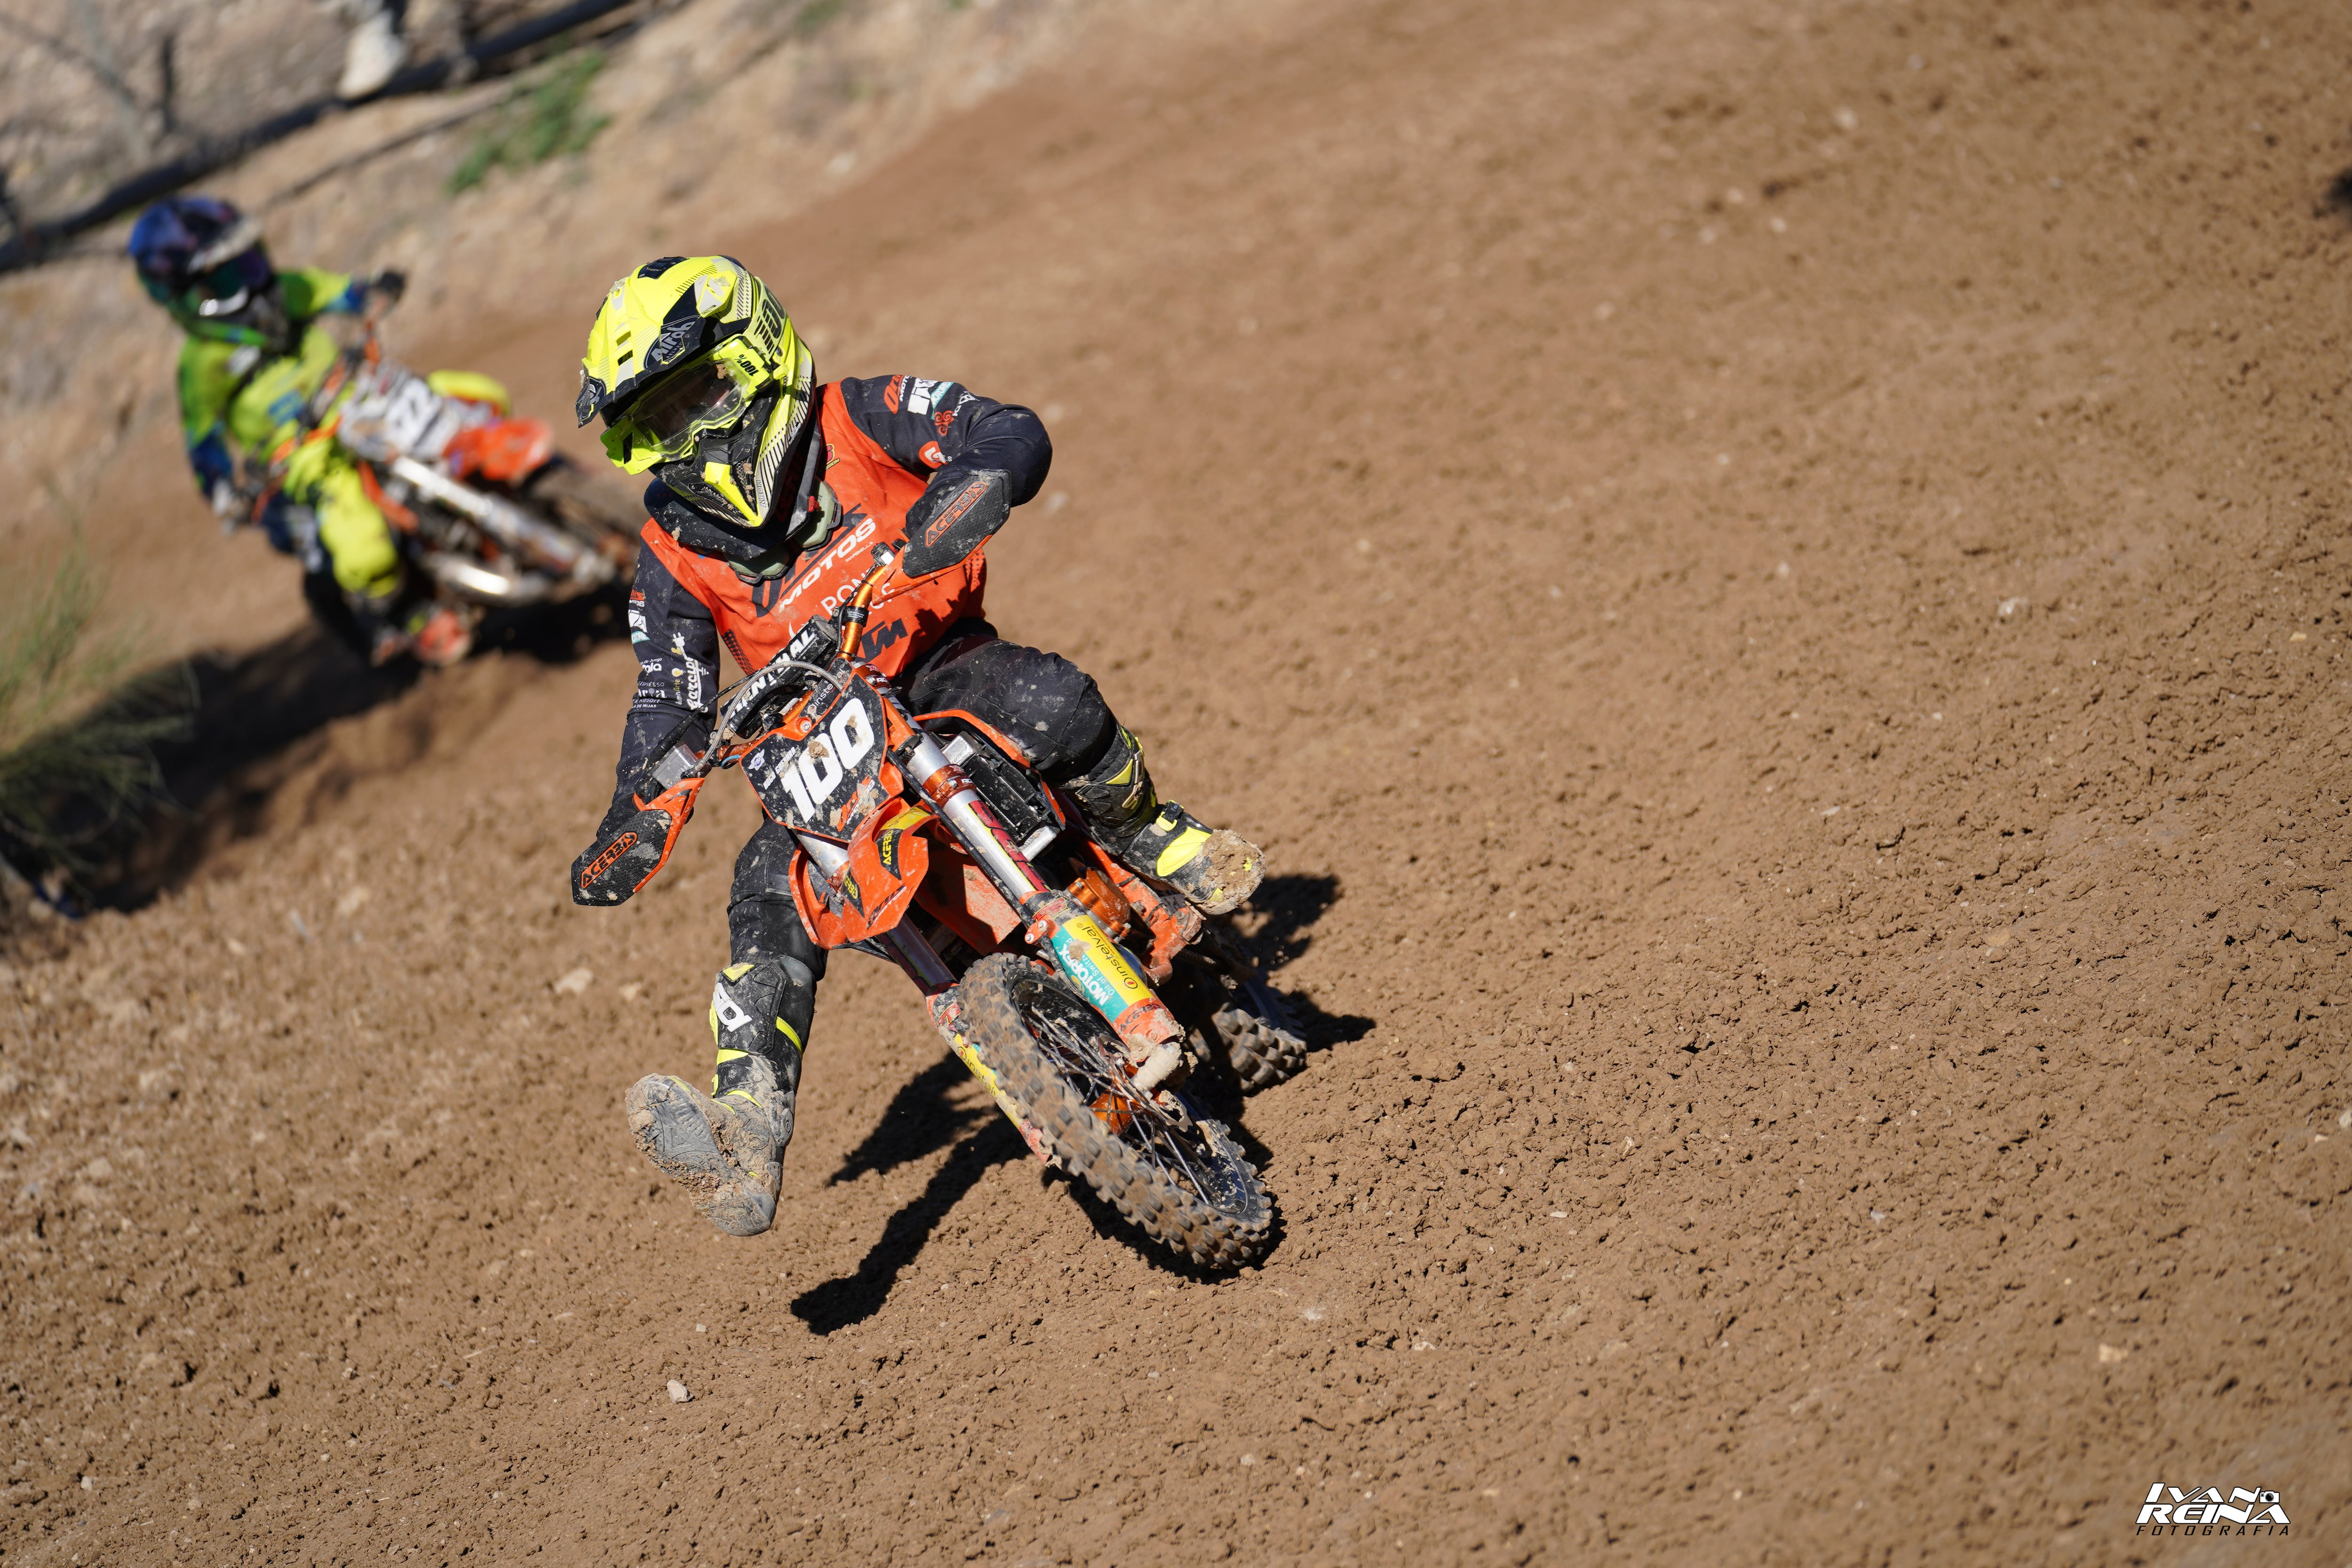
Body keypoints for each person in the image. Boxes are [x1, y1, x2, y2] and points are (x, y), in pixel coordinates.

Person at [568, 254, 1265, 1238]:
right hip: (819, 754)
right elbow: (668, 691)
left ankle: (1156, 833)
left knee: (1047, 696)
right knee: (765, 888)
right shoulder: (671, 547)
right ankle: (747, 1128)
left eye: (698, 394)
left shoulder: (854, 416)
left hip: (934, 670)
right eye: (660, 415)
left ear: (753, 351)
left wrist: (976, 480)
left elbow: (1002, 426)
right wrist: (641, 798)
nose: (688, 431)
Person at [127, 194, 468, 664]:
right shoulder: (201, 364)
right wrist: (225, 490)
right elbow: (203, 443)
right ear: (189, 296)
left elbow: (346, 293)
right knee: (364, 547)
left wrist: (375, 293)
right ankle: (408, 611)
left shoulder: (287, 288)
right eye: (229, 274)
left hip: (362, 400)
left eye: (250, 258)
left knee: (468, 394)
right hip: (304, 458)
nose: (254, 277)